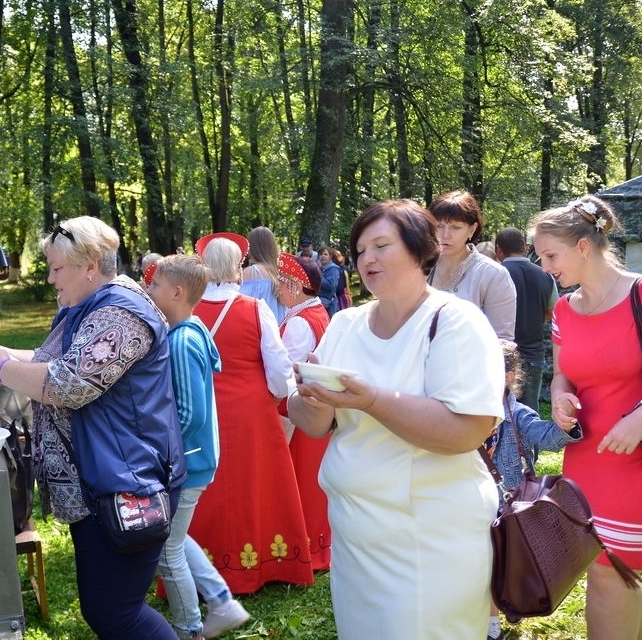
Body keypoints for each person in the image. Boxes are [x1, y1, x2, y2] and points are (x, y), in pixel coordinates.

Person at [0, 216, 187, 640]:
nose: (49, 278)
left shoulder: (121, 315)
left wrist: (2, 368)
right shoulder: (88, 307)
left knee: (117, 613)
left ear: (91, 265)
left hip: (126, 482)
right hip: (104, 482)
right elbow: (53, 360)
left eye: (57, 268)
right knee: (108, 610)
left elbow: (69, 383)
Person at [288, 199, 504, 640]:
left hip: (429, 539)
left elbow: (467, 430)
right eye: (360, 249)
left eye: (381, 245)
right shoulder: (345, 323)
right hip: (355, 533)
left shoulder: (455, 320)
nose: (367, 258)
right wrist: (309, 395)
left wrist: (372, 401)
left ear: (420, 249)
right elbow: (314, 424)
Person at [533, 195, 642, 640]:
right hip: (586, 463)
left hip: (641, 461)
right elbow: (562, 378)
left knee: (608, 572)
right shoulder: (563, 310)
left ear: (583, 246)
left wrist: (640, 419)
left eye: (550, 255)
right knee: (618, 574)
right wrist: (559, 399)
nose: (544, 265)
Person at [188, 234, 314, 595]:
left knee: (204, 490)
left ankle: (206, 567)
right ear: (238, 268)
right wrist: (274, 394)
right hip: (250, 413)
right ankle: (263, 562)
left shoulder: (188, 310)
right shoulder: (254, 309)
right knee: (256, 486)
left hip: (203, 410)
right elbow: (278, 374)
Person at [147, 253, 250, 640]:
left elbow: (190, 414)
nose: (149, 288)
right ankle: (222, 602)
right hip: (189, 459)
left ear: (176, 292)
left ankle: (189, 629)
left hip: (186, 462)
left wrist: (158, 449)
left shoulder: (184, 342)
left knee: (165, 550)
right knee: (175, 535)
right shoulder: (185, 332)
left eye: (155, 284)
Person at [485, 339, 581, 640]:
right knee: (487, 563)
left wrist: (566, 424)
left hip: (511, 506)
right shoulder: (465, 411)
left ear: (508, 377)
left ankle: (508, 602)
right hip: (475, 503)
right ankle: (492, 622)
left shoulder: (518, 415)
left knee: (508, 561)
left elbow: (549, 438)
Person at [275, 253, 332, 571]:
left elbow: (286, 373)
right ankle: (314, 543)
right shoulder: (314, 312)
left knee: (303, 482)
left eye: (282, 283)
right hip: (313, 411)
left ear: (295, 286)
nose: (278, 289)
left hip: (300, 413)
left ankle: (306, 547)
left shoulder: (298, 322)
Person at [427, 189, 517, 340]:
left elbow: (502, 342)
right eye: (439, 226)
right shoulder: (419, 268)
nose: (445, 235)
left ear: (472, 229)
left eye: (455, 227)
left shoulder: (494, 275)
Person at [495, 226, 558, 409]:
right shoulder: (545, 275)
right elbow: (554, 311)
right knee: (529, 412)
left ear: (499, 248)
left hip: (501, 354)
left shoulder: (495, 274)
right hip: (534, 354)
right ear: (525, 247)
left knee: (499, 413)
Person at [240, 226, 286, 324]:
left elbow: (240, 308)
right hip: (280, 332)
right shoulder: (282, 271)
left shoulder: (252, 272)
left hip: (258, 333)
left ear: (252, 247)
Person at [317, 246, 341, 318]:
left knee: (329, 325)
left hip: (329, 304)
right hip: (320, 302)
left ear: (330, 256)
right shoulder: (320, 269)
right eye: (321, 254)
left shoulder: (333, 268)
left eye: (325, 254)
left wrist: (319, 277)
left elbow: (331, 285)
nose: (323, 256)